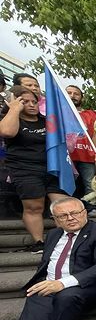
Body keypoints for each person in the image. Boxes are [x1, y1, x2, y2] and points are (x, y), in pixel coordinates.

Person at [0, 86, 67, 252]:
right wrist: (14, 108)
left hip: (51, 169)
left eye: (34, 101)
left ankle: (67, 238)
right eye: (25, 101)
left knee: (63, 205)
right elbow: (7, 132)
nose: (31, 105)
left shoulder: (47, 121)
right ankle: (39, 242)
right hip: (25, 169)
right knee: (34, 207)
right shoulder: (10, 117)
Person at [65, 85, 96, 199]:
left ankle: (92, 207)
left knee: (90, 183)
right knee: (66, 182)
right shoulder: (58, 112)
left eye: (76, 94)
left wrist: (94, 153)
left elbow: (94, 134)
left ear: (82, 98)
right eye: (69, 93)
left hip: (87, 155)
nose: (72, 96)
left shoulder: (91, 114)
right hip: (66, 155)